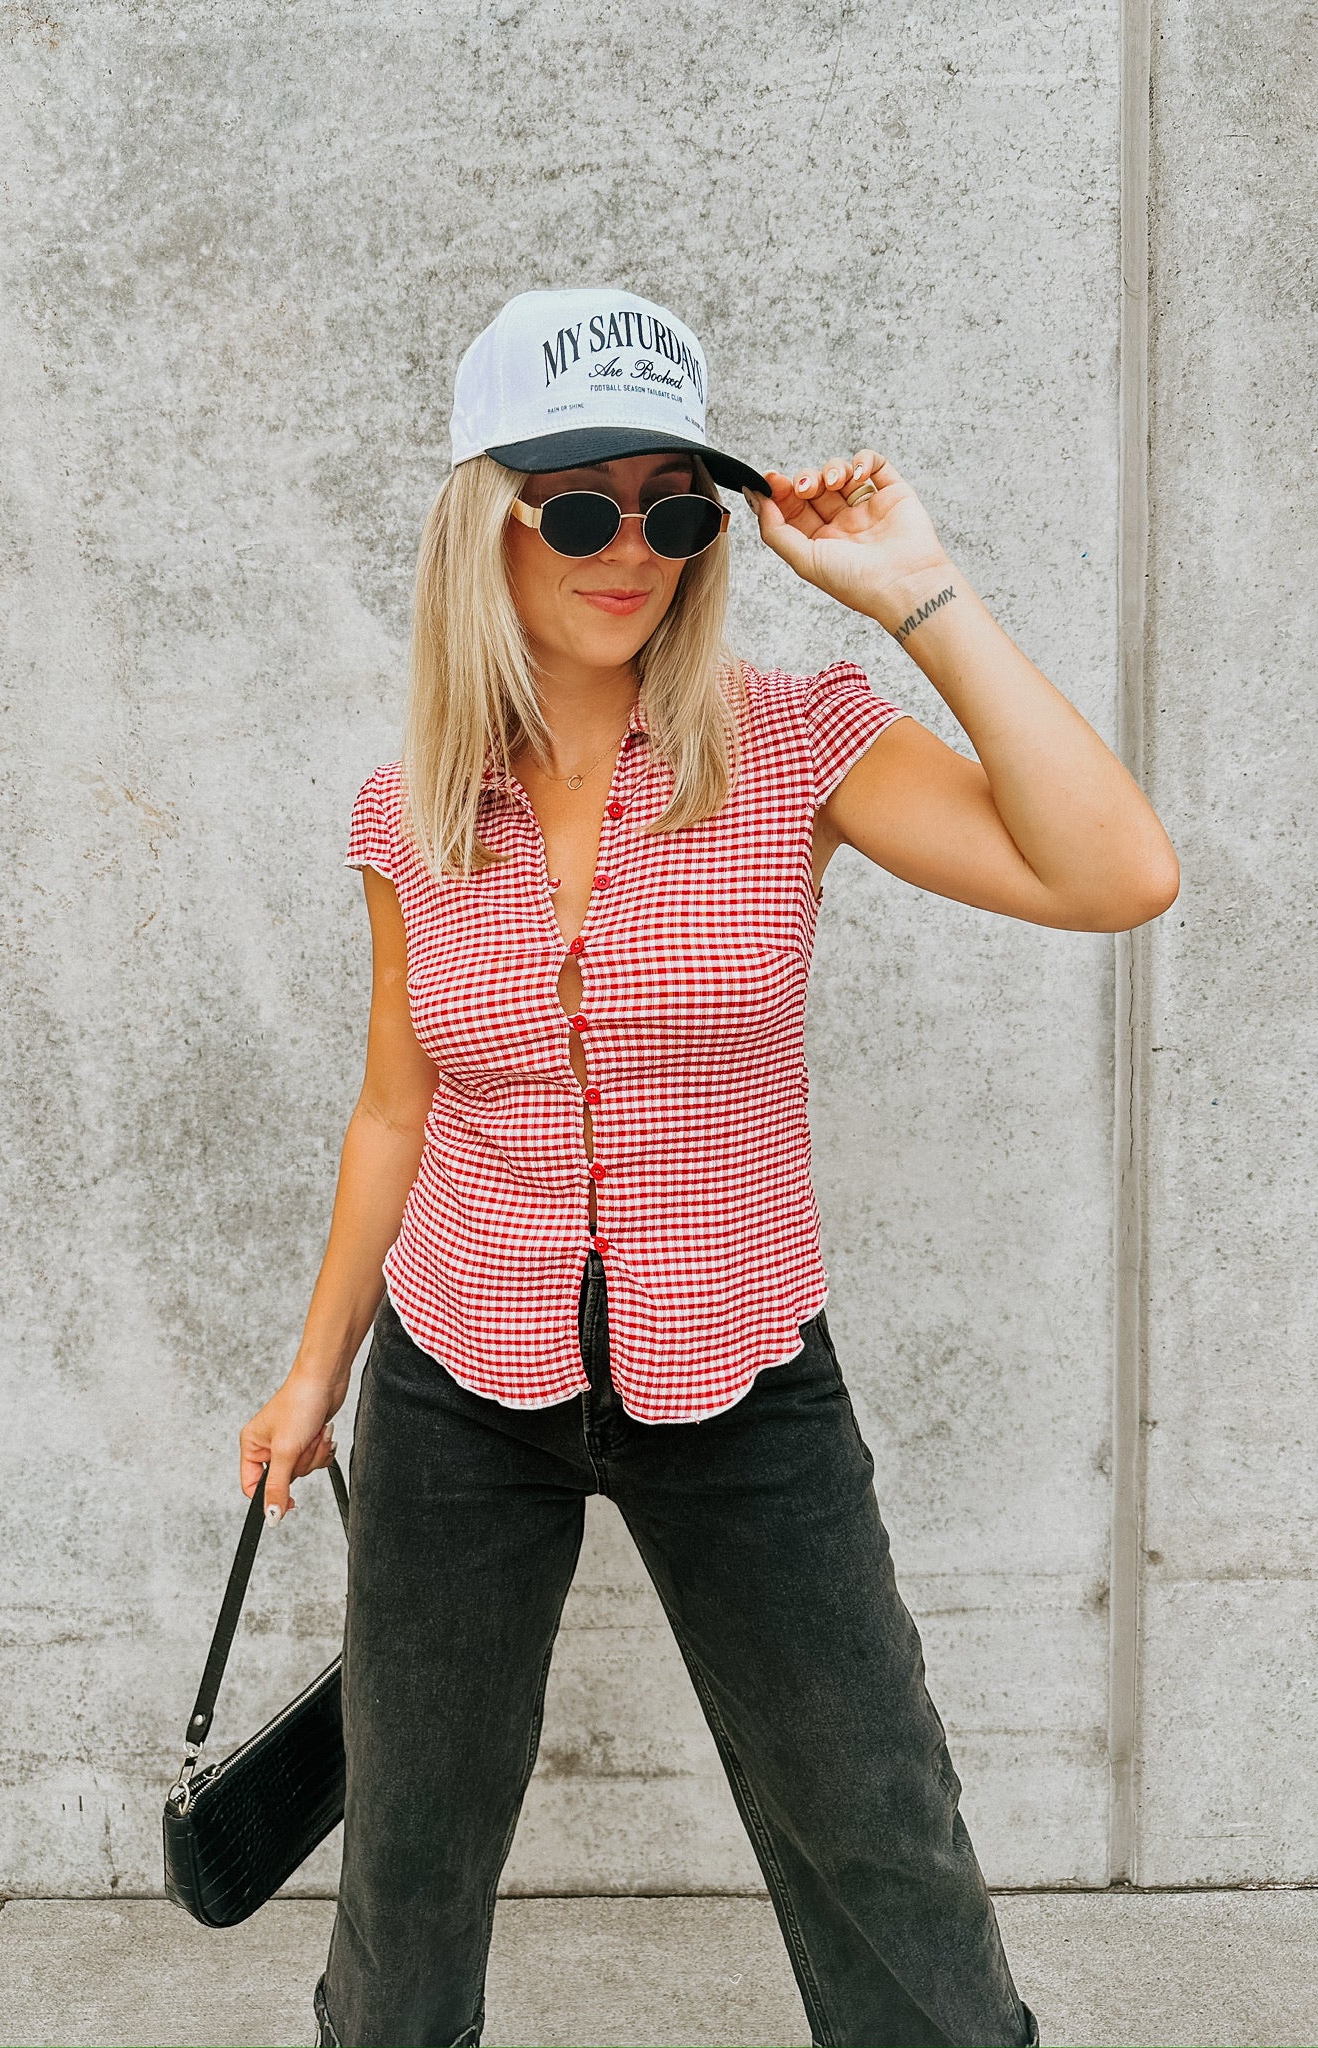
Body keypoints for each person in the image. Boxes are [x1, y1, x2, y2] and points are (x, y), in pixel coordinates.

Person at [239, 288, 1178, 2048]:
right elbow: (396, 1107)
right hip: (460, 1375)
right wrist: (317, 1375)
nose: (633, 549)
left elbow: (1116, 874)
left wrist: (919, 594)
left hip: (742, 1370)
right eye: (578, 505)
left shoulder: (800, 748)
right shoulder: (411, 810)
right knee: (411, 1870)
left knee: (881, 1841)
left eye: (673, 508)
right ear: (484, 525)